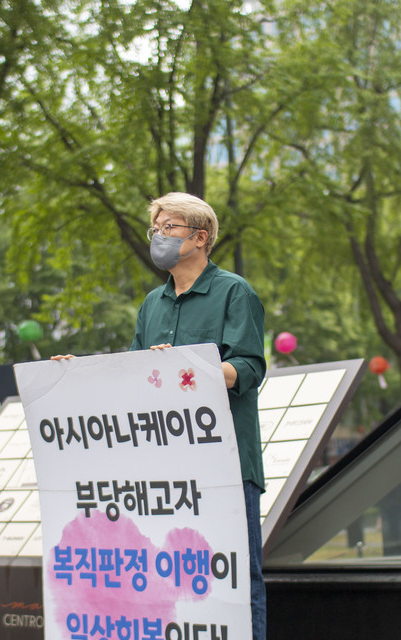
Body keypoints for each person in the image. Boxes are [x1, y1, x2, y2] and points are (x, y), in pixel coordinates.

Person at [132, 192, 268, 639]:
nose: (159, 237)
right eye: (156, 229)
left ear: (200, 236)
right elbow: (134, 377)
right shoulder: (151, 304)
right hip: (168, 469)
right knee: (172, 578)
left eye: (168, 227)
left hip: (226, 466)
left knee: (235, 579)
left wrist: (188, 368)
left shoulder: (235, 292)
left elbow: (249, 367)